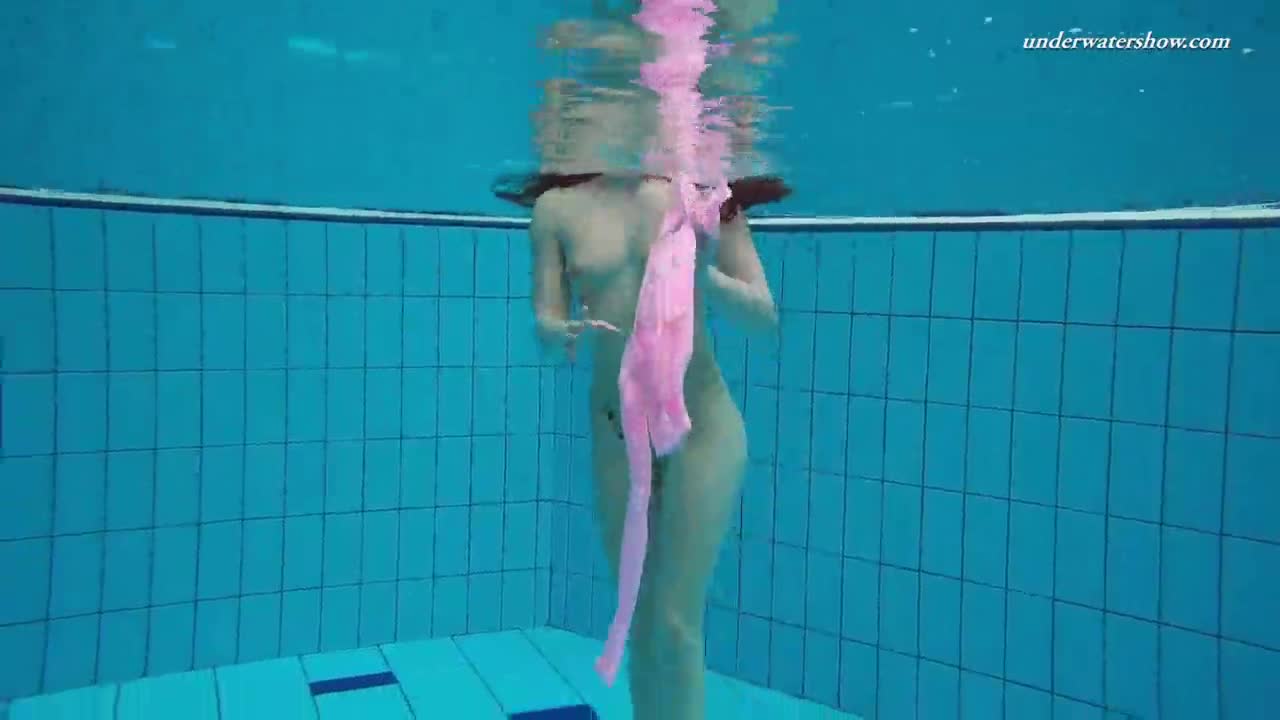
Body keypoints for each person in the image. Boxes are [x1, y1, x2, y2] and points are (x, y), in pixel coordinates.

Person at [495, 5, 787, 718]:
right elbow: (543, 319)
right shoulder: (556, 212)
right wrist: (557, 332)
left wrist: (712, 278)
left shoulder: (698, 188)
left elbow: (765, 316)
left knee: (675, 623)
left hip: (701, 430)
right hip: (614, 433)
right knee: (637, 620)